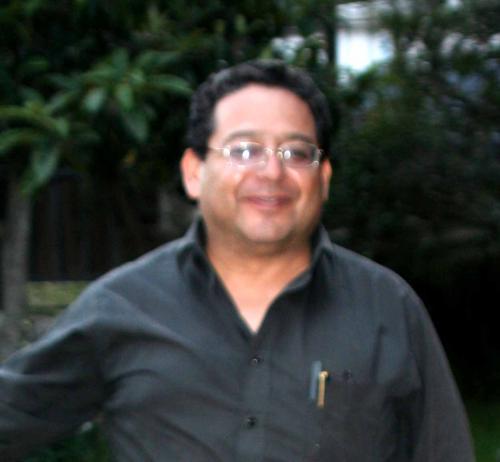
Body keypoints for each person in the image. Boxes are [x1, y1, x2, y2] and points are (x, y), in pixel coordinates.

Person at [0, 60, 474, 461]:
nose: (272, 171)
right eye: (244, 150)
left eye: (297, 152)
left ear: (324, 178)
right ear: (194, 172)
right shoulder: (121, 308)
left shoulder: (386, 309)